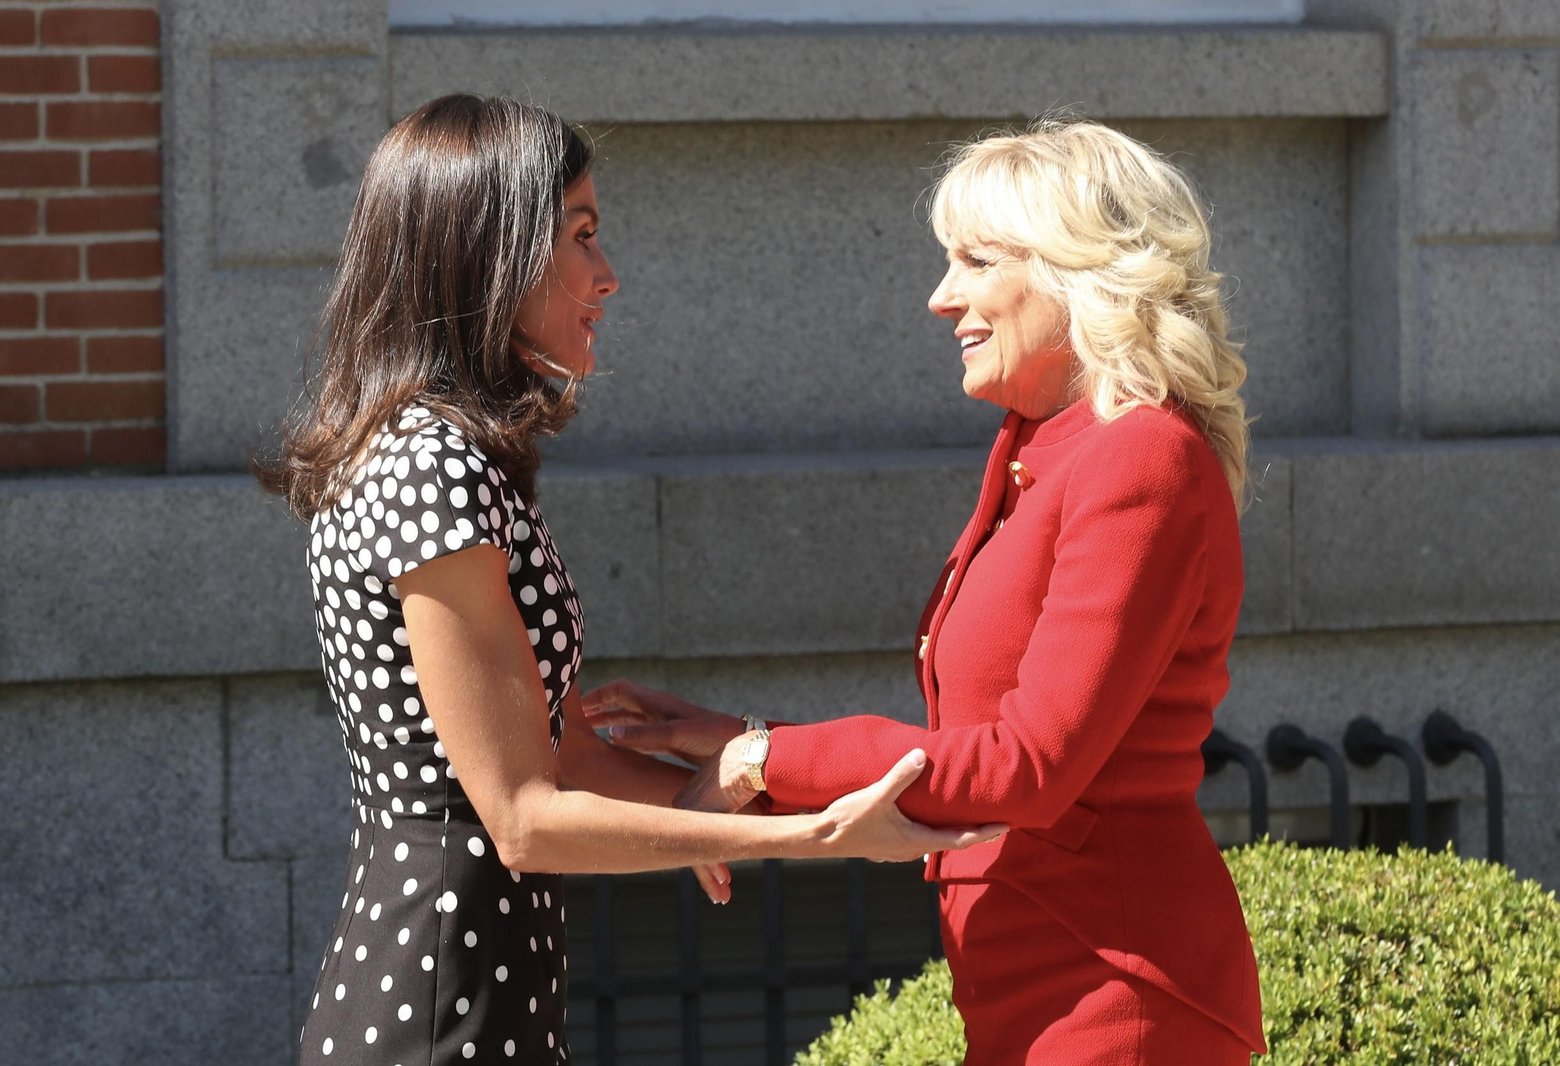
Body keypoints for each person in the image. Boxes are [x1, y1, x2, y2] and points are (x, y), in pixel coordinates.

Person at [253, 93, 1003, 1066]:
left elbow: (563, 755)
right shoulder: (427, 465)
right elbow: (522, 819)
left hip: (474, 984)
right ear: (491, 250)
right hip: (437, 1005)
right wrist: (814, 838)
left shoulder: (440, 456)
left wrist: (734, 790)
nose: (606, 273)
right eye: (581, 235)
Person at [585, 119, 1268, 1064]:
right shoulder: (1041, 444)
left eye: (976, 262)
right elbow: (968, 745)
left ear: (1079, 273)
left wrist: (762, 762)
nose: (942, 298)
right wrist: (747, 742)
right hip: (1032, 987)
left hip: (1116, 994)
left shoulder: (1140, 454)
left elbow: (1028, 766)